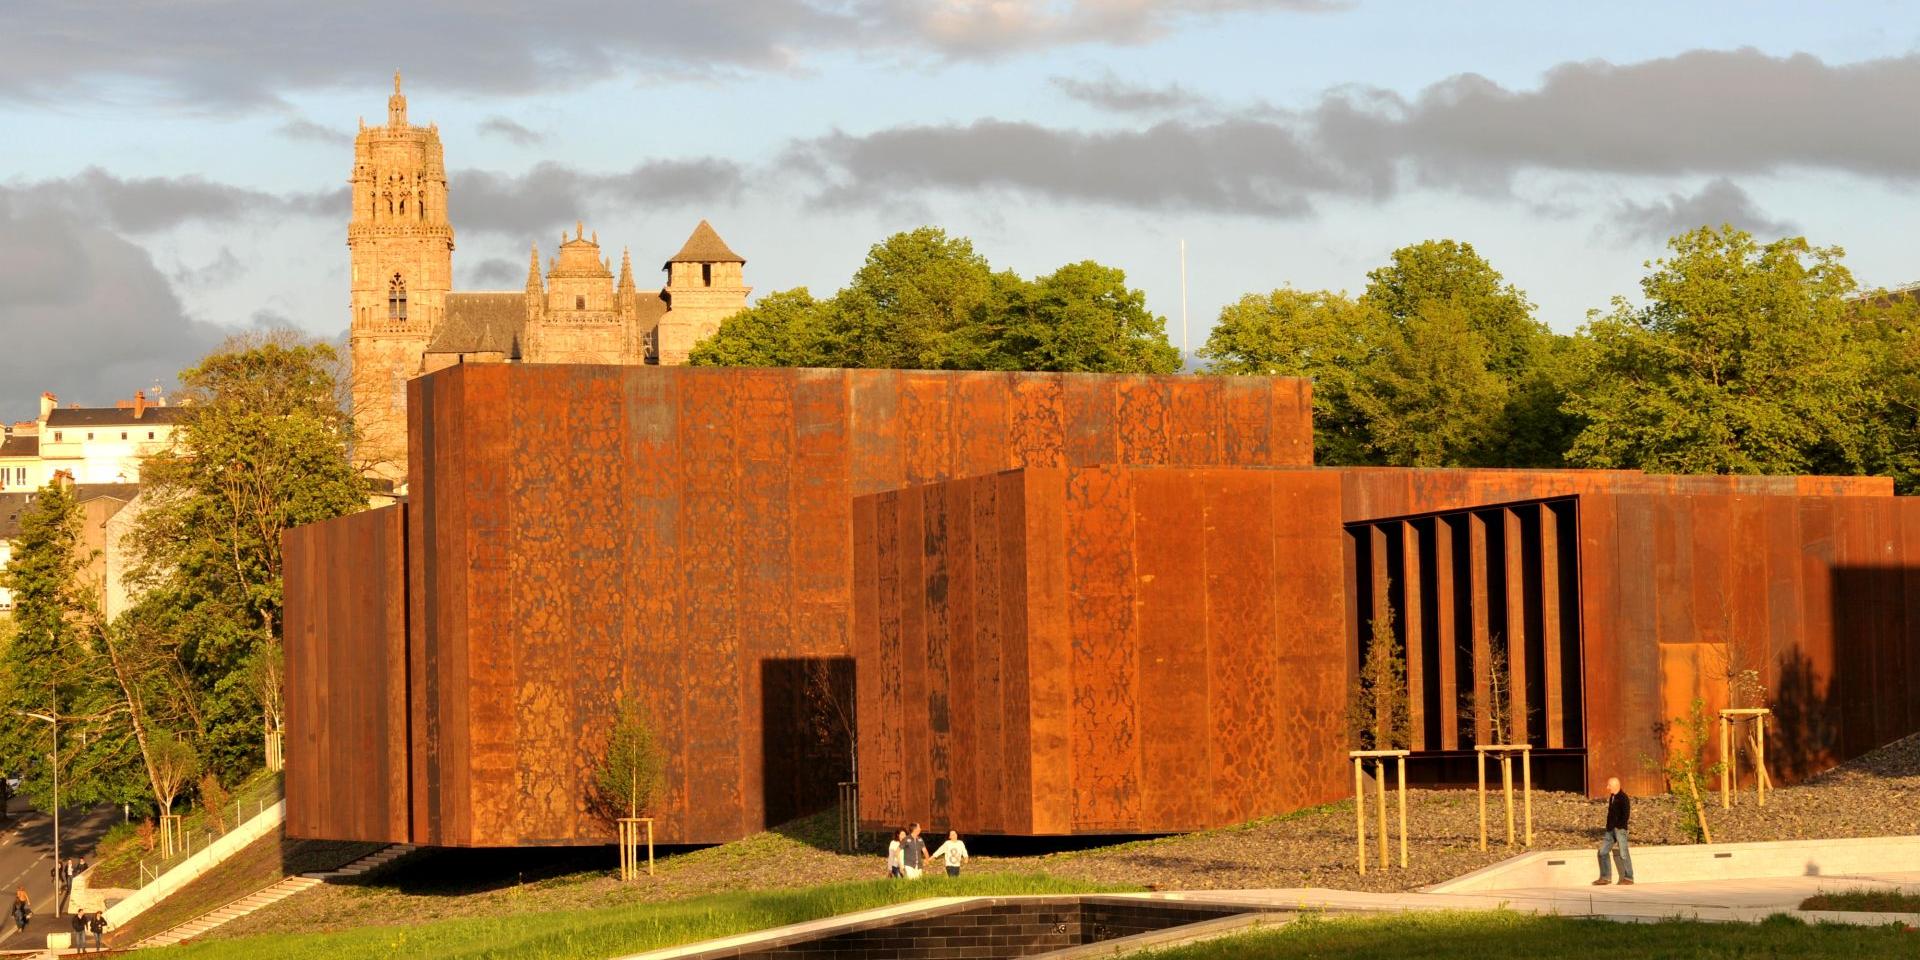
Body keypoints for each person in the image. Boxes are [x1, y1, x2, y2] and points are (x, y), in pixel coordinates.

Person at [1595, 776, 1634, 886]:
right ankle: (1605, 877)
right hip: (1610, 830)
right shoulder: (1612, 797)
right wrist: (1608, 827)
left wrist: (1619, 827)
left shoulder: (1623, 798)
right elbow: (1610, 814)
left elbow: (1625, 815)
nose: (1607, 787)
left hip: (1620, 830)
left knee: (1623, 853)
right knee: (1602, 852)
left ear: (1615, 786)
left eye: (1609, 785)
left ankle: (1629, 878)